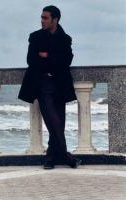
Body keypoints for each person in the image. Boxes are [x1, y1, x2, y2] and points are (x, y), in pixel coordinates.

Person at [18, 5, 81, 169]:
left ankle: (51, 158)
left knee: (59, 123)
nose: (42, 21)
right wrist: (54, 60)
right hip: (42, 85)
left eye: (45, 18)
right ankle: (67, 156)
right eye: (41, 17)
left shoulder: (65, 39)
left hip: (60, 85)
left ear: (55, 19)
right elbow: (32, 60)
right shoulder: (35, 37)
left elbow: (66, 61)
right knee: (53, 121)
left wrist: (48, 57)